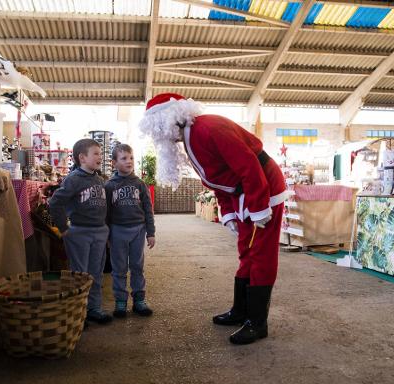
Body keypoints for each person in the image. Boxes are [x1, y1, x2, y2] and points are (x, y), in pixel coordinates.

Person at [139, 93, 288, 345]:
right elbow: (219, 180)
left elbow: (248, 165)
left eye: (157, 129)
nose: (158, 136)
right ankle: (241, 311)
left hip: (263, 188)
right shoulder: (191, 138)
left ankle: (257, 323)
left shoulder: (208, 129)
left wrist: (259, 206)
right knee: (246, 251)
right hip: (245, 193)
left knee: (261, 253)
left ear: (168, 119)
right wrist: (227, 211)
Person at [49, 138, 112, 325]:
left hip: (99, 232)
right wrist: (64, 228)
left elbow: (104, 207)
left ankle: (94, 308)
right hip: (80, 233)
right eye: (96, 153)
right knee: (79, 274)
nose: (100, 157)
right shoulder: (73, 179)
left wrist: (106, 229)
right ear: (82, 158)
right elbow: (55, 202)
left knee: (96, 273)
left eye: (101, 153)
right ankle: (79, 313)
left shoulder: (99, 180)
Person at [105, 144, 156, 318]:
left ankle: (139, 300)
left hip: (138, 231)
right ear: (114, 163)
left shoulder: (140, 184)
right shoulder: (110, 185)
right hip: (117, 231)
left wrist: (151, 232)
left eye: (131, 157)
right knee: (119, 268)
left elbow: (148, 209)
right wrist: (107, 234)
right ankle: (120, 301)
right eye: (124, 158)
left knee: (137, 266)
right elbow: (106, 213)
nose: (129, 161)